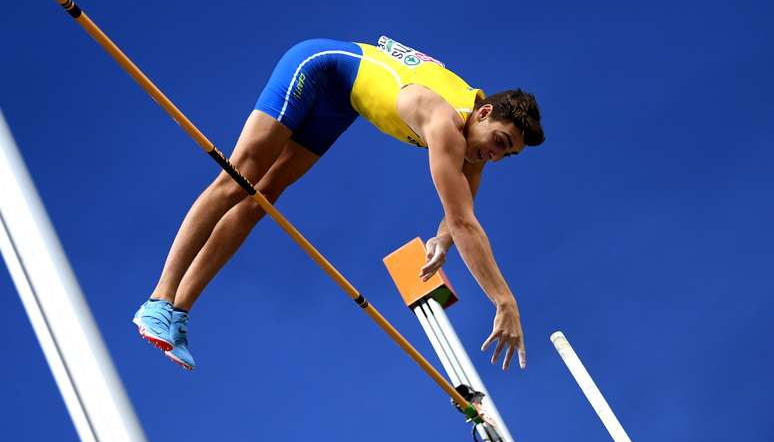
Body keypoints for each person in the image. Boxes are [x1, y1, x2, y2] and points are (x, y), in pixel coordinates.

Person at [132, 36, 545, 372]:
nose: (494, 157)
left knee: (263, 197)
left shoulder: (474, 143)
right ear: (484, 112)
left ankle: (178, 314)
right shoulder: (447, 126)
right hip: (320, 66)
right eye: (499, 143)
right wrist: (504, 301)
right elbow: (464, 223)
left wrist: (441, 239)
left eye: (505, 156)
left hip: (341, 103)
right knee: (239, 178)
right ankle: (159, 298)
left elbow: (459, 215)